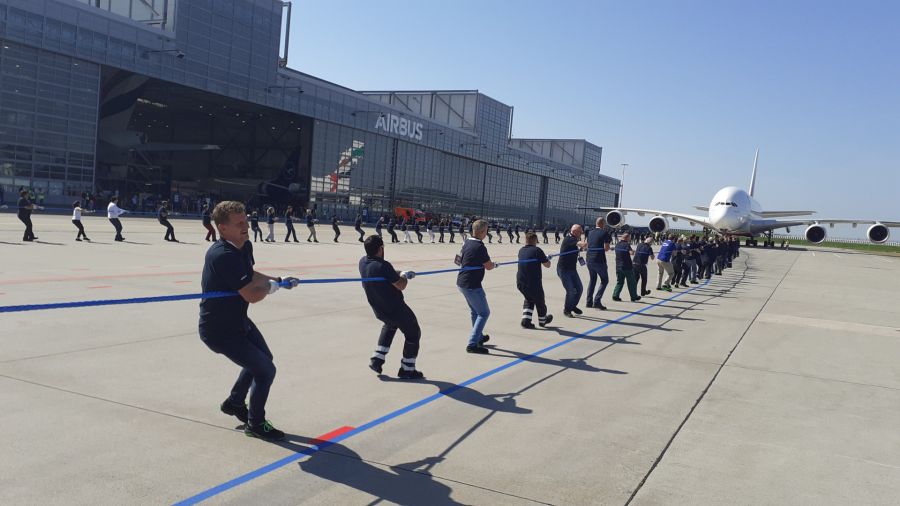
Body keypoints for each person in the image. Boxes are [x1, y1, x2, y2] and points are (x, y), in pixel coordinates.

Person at [198, 201, 300, 441]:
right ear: (222, 228)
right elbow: (251, 295)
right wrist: (271, 288)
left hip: (237, 320)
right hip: (219, 330)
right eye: (239, 223)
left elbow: (250, 275)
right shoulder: (222, 255)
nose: (246, 226)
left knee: (264, 360)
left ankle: (235, 402)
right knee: (266, 370)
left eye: (246, 221)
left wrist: (278, 280)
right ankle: (255, 423)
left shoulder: (244, 246)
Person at [359, 235, 424, 379]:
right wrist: (405, 277)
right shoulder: (383, 265)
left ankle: (377, 359)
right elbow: (401, 285)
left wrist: (400, 272)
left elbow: (386, 274)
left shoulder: (363, 262)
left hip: (379, 309)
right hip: (395, 308)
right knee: (413, 333)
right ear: (380, 249)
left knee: (390, 324)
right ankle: (407, 369)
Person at [457, 219, 497, 354]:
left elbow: (458, 261)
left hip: (462, 282)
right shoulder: (480, 247)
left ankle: (478, 336)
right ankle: (472, 344)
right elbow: (489, 266)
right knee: (484, 313)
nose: (487, 233)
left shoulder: (467, 242)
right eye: (486, 231)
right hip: (472, 285)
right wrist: (494, 265)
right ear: (482, 232)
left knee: (475, 311)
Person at [517, 232, 553, 329]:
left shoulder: (521, 250)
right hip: (533, 283)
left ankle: (526, 321)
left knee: (529, 299)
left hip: (520, 282)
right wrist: (547, 258)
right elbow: (547, 265)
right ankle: (542, 320)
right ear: (535, 240)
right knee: (539, 300)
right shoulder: (537, 250)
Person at [557, 224, 586, 317]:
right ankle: (567, 310)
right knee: (570, 291)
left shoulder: (574, 239)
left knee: (579, 289)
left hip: (572, 269)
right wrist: (588, 243)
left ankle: (572, 306)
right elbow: (582, 244)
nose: (581, 233)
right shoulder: (569, 239)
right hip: (564, 270)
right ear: (575, 232)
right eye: (580, 232)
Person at [584, 218, 612, 310]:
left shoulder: (590, 232)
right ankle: (597, 301)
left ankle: (589, 302)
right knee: (604, 280)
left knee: (592, 280)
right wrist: (609, 248)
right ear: (603, 224)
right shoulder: (604, 233)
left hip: (589, 259)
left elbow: (587, 244)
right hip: (599, 260)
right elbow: (606, 248)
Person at [611, 232, 641, 302]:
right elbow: (631, 253)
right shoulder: (626, 245)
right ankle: (634, 297)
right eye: (629, 238)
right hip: (627, 267)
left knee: (620, 282)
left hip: (618, 266)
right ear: (627, 238)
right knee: (631, 283)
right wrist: (633, 251)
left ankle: (615, 295)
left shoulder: (617, 244)